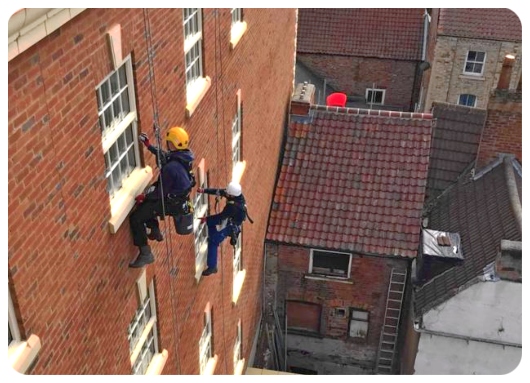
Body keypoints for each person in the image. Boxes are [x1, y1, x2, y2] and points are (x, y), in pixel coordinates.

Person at [129, 126, 195, 268]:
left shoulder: (171, 169)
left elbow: (159, 193)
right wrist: (148, 145)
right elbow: (164, 155)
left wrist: (144, 196)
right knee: (148, 207)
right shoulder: (183, 156)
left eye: (168, 142)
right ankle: (155, 230)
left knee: (137, 217)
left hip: (171, 202)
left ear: (172, 144)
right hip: (177, 200)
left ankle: (146, 254)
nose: (166, 144)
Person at [197, 181, 249, 276]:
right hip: (230, 218)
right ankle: (213, 238)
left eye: (228, 193)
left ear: (232, 196)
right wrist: (204, 190)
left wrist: (206, 219)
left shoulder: (233, 207)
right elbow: (219, 192)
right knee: (211, 223)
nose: (226, 194)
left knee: (213, 240)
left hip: (232, 226)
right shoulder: (234, 194)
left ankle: (212, 267)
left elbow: (221, 217)